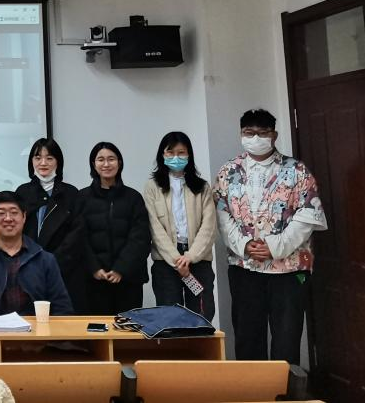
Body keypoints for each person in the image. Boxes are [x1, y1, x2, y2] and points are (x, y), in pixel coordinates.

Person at [215, 109, 327, 363]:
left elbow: (308, 215)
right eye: (249, 132)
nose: (255, 138)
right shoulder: (228, 171)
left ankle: (284, 387)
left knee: (287, 338)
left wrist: (275, 246)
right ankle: (252, 387)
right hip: (244, 267)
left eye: (262, 133)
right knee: (247, 337)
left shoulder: (297, 170)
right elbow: (221, 215)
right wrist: (244, 244)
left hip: (288, 270)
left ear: (274, 135)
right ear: (241, 134)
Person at [0, 191, 73, 316]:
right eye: (1, 213)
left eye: (14, 212)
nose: (8, 218)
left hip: (36, 327)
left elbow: (62, 308)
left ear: (24, 217)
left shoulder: (45, 260)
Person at [142, 131, 218, 320]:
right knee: (169, 318)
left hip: (198, 260)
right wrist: (177, 260)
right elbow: (154, 228)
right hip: (166, 262)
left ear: (189, 155)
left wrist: (190, 257)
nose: (176, 157)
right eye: (170, 152)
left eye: (181, 152)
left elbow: (209, 227)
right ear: (162, 155)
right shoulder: (152, 187)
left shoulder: (202, 187)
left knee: (202, 315)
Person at [14, 137, 87, 311]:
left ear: (58, 162)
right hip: (28, 269)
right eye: (38, 157)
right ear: (31, 161)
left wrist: (52, 264)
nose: (43, 163)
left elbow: (77, 235)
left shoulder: (71, 193)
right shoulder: (22, 192)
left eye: (49, 158)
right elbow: (16, 231)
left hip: (64, 271)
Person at [77, 142, 150, 315]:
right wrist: (94, 268)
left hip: (128, 280)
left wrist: (120, 269)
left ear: (119, 162)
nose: (106, 164)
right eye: (100, 159)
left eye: (111, 159)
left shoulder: (133, 198)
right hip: (94, 281)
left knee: (127, 328)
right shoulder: (81, 198)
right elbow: (79, 238)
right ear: (93, 164)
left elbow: (141, 238)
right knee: (96, 329)